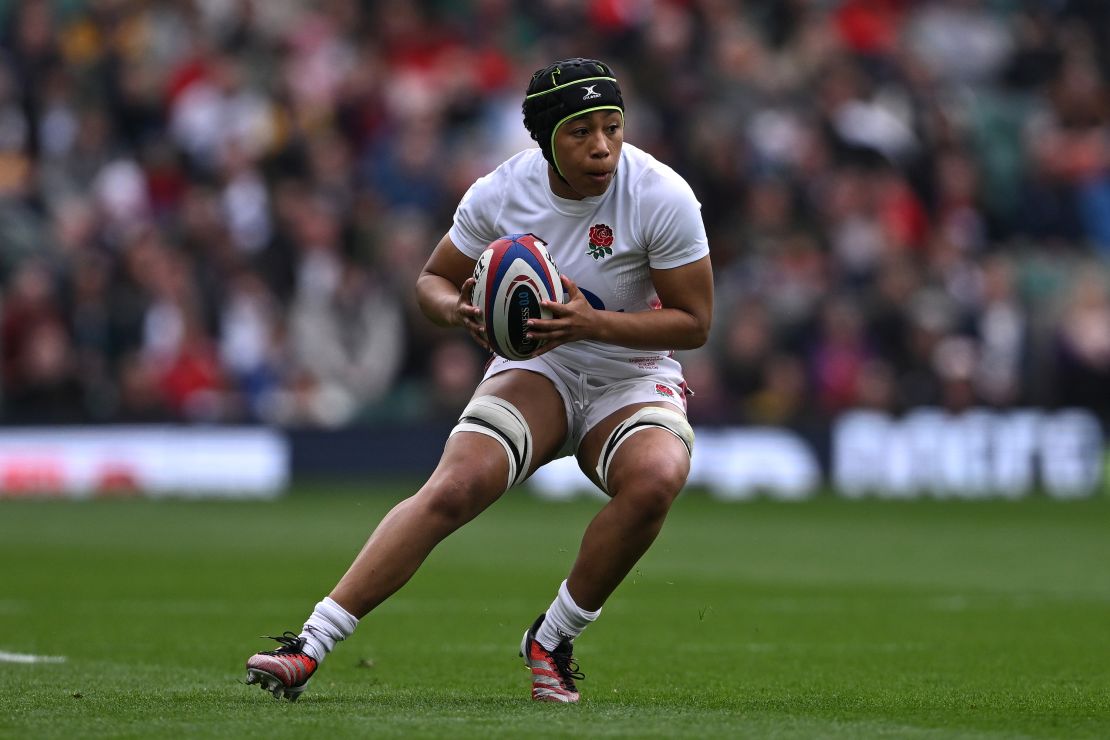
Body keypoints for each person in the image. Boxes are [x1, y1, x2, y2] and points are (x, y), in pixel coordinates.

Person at [244, 57, 713, 704]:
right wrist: (458, 310)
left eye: (612, 127)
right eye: (582, 132)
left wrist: (590, 324)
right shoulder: (500, 192)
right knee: (454, 487)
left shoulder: (661, 194)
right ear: (546, 140)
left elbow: (694, 323)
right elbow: (432, 280)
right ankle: (308, 646)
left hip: (629, 373)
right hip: (539, 364)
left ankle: (552, 637)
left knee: (657, 479)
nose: (602, 145)